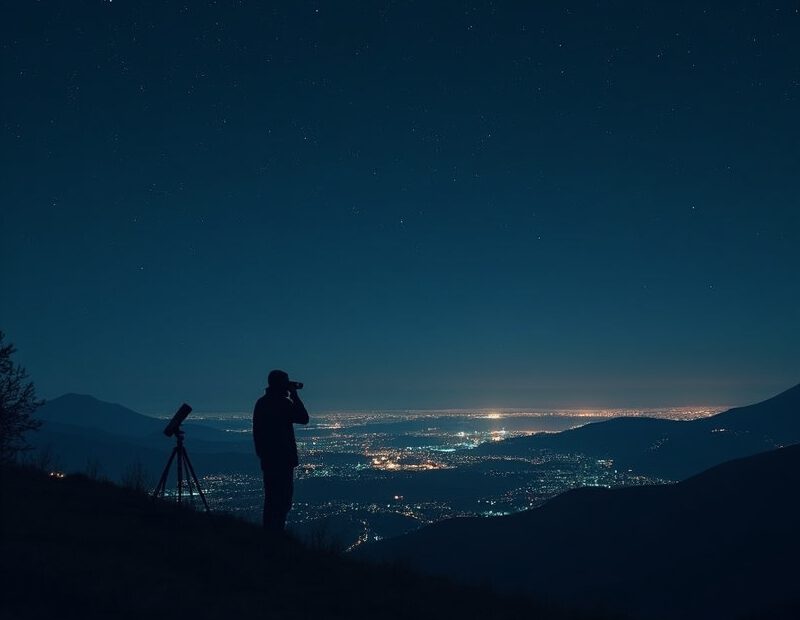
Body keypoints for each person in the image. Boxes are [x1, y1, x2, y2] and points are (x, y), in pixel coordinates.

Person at [252, 369, 309, 532]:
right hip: (282, 458)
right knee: (283, 499)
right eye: (286, 382)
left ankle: (269, 533)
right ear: (280, 384)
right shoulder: (281, 403)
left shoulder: (261, 402)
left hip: (268, 458)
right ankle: (276, 534)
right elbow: (303, 418)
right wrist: (295, 396)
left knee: (270, 498)